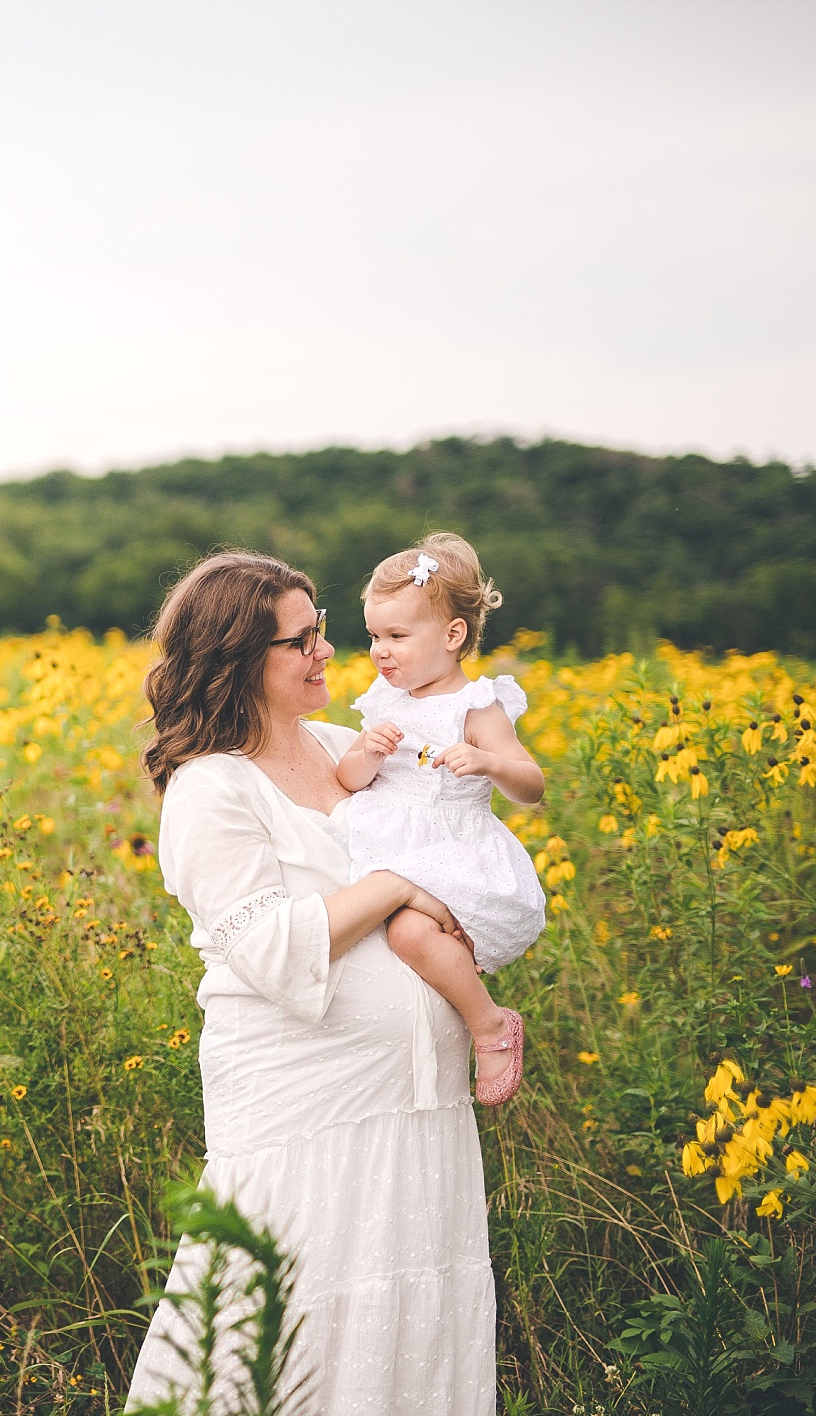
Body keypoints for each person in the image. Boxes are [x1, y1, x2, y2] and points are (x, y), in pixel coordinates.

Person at [124, 551, 494, 1414]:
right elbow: (272, 946)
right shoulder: (209, 789)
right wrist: (399, 883)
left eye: (323, 628)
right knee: (281, 1320)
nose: (328, 651)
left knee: (411, 1308)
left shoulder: (343, 749)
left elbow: (456, 850)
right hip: (305, 1112)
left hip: (415, 1104)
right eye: (303, 639)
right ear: (239, 659)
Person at [335, 532, 546, 1106]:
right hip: (387, 845)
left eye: (398, 636)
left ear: (453, 636)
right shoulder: (383, 700)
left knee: (407, 932)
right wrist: (368, 753)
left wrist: (487, 761)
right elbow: (350, 779)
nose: (380, 650)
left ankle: (492, 1026)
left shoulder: (476, 706)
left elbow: (532, 786)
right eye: (374, 635)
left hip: (453, 849)